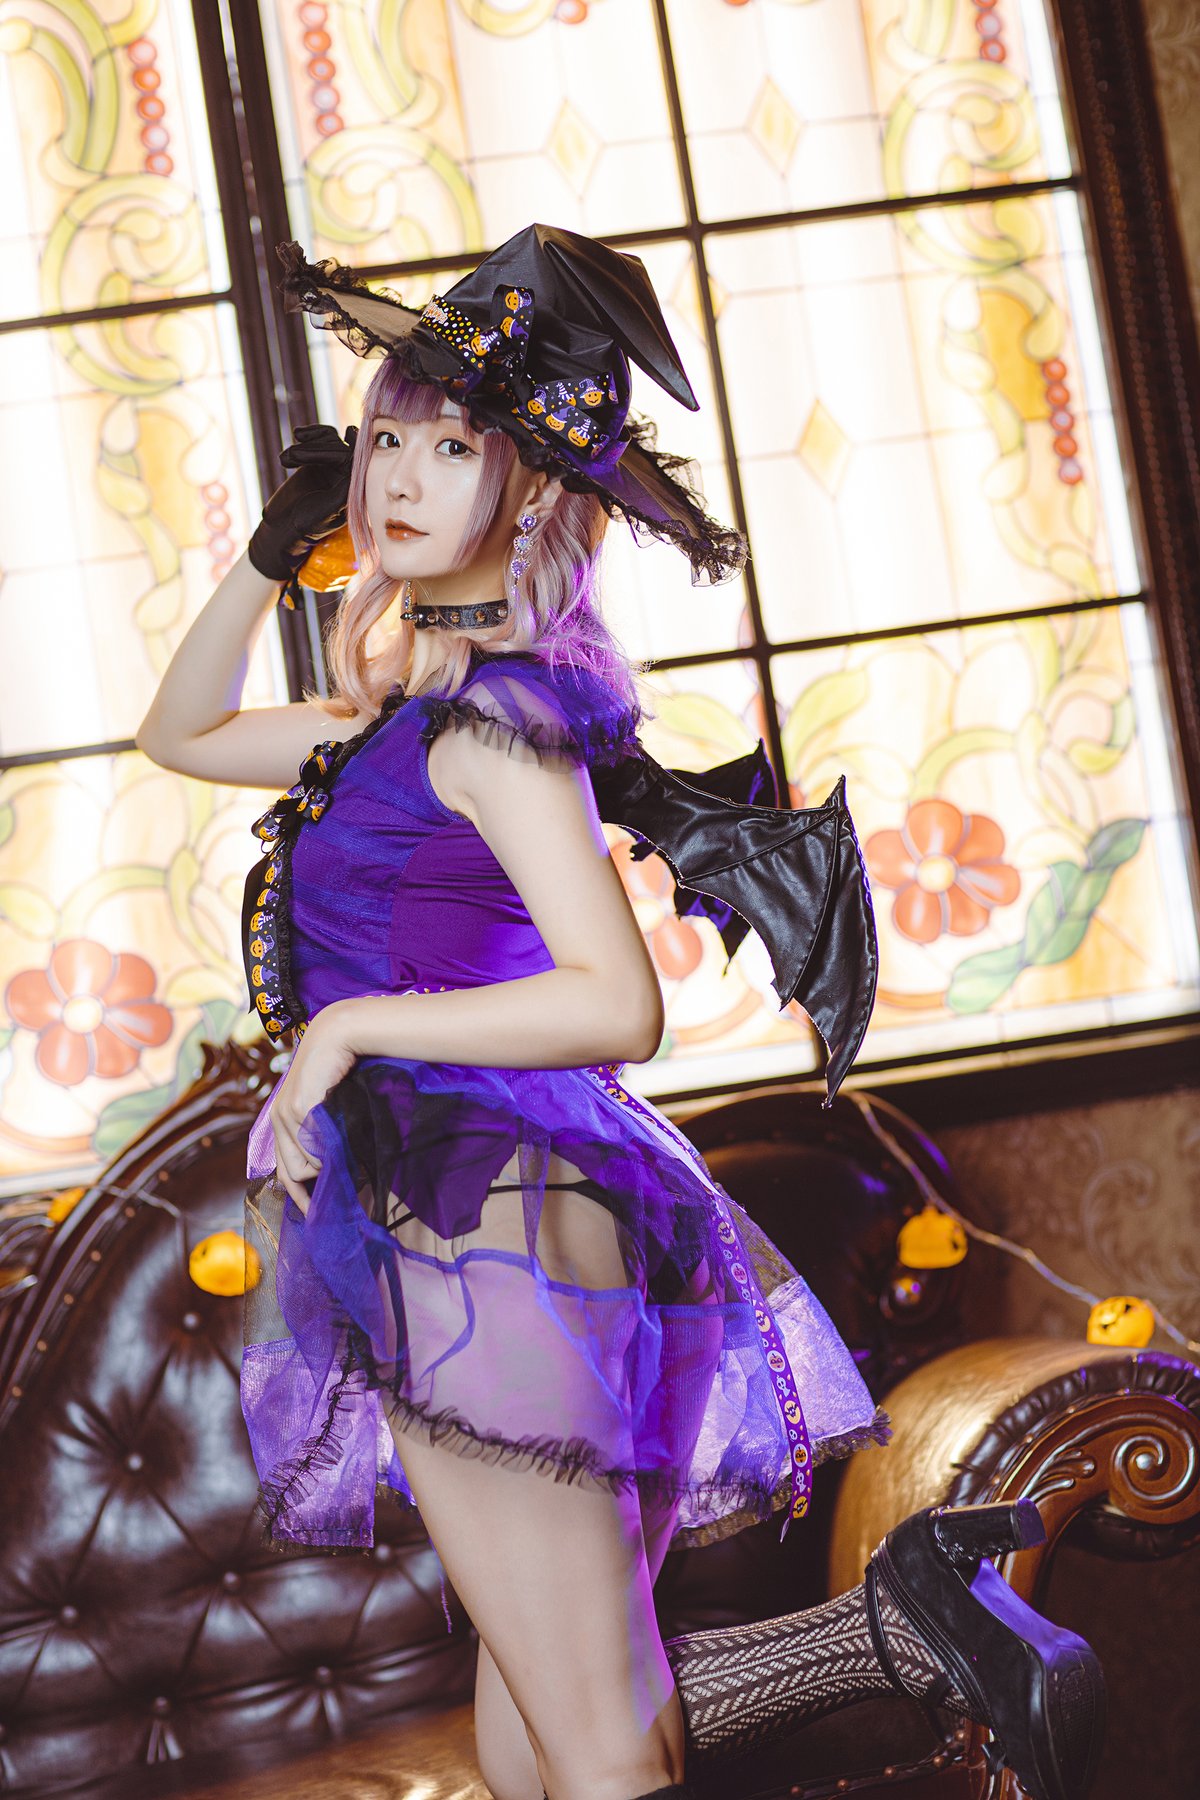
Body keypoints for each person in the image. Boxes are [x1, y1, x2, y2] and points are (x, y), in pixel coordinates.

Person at [135, 224, 1105, 1800]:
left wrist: (352, 1032)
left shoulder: (497, 730)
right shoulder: (400, 722)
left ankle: (901, 1625)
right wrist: (268, 554)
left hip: (485, 1223)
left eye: (453, 447)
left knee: (590, 1746)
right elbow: (177, 732)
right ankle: (898, 1626)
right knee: (545, 1738)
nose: (398, 477)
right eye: (387, 440)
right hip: (503, 1211)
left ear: (529, 492)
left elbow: (619, 1003)